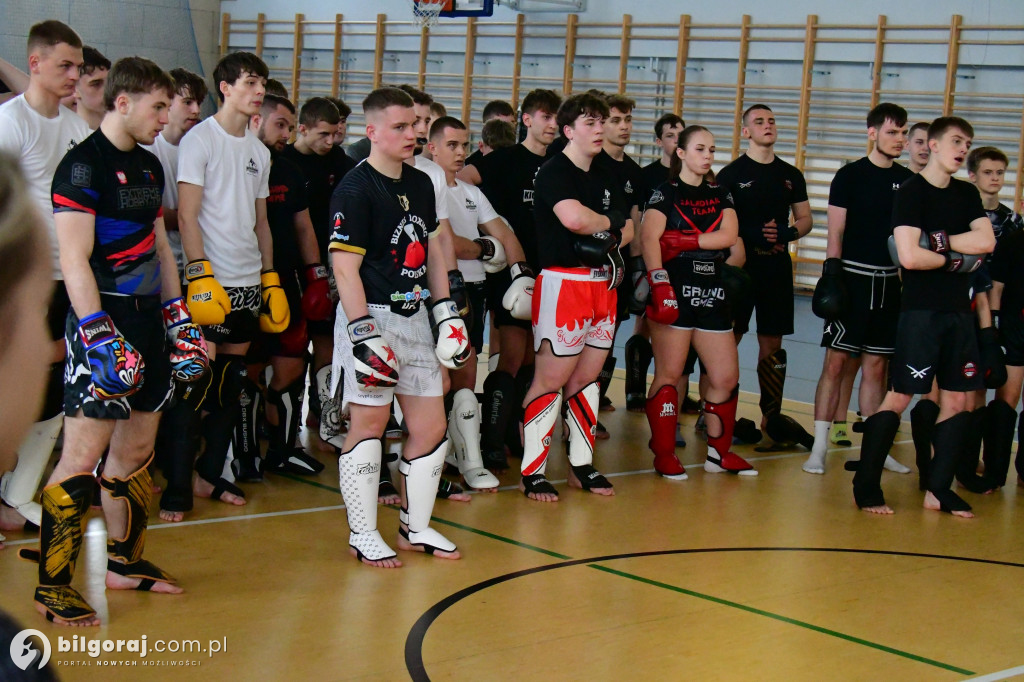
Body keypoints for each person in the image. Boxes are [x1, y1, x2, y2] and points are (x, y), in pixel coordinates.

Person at [33, 56, 206, 625]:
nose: (168, 117)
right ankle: (53, 585)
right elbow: (74, 258)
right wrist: (97, 334)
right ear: (124, 101)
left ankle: (123, 563)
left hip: (150, 323)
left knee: (133, 456)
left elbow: (160, 248)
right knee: (80, 457)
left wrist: (178, 318)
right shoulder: (82, 169)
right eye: (159, 106)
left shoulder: (152, 165)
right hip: (100, 325)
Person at [328, 86, 469, 567]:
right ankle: (363, 533)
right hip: (372, 318)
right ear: (371, 132)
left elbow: (430, 250)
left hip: (415, 319)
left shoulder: (424, 182)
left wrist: (446, 309)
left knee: (430, 426)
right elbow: (344, 267)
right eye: (400, 127)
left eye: (415, 126)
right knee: (368, 424)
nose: (413, 134)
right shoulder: (354, 187)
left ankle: (416, 526)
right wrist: (363, 333)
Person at [853, 116, 995, 516]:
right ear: (932, 144)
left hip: (958, 314)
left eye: (967, 142)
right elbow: (909, 256)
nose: (963, 147)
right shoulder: (912, 192)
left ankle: (938, 490)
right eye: (955, 140)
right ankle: (866, 484)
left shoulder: (966, 194)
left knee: (958, 400)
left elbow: (985, 242)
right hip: (921, 313)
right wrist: (960, 259)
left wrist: (939, 245)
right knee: (900, 396)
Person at [177, 51, 286, 507]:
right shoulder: (199, 140)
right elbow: (186, 213)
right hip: (210, 280)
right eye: (249, 82)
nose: (258, 91)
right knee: (193, 384)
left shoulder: (260, 152)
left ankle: (209, 474)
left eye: (262, 83)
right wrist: (199, 271)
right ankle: (179, 483)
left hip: (247, 281)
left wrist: (270, 277)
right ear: (225, 87)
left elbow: (261, 222)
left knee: (233, 382)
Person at [519, 92, 633, 502]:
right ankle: (532, 472)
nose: (600, 128)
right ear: (568, 131)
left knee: (587, 381)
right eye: (590, 122)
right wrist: (611, 226)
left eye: (602, 121)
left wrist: (608, 228)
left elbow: (631, 228)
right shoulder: (554, 171)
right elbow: (574, 219)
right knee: (551, 378)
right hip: (563, 283)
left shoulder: (606, 173)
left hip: (603, 282)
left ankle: (580, 465)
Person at [0, 21, 91, 535]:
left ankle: (18, 493)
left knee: (57, 385)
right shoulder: (9, 122)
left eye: (78, 66)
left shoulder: (76, 128)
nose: (74, 75)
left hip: (66, 276)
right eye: (65, 65)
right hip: (19, 280)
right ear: (34, 64)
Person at [804, 103, 913, 475]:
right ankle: (818, 447)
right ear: (872, 133)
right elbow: (836, 229)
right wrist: (832, 274)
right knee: (835, 363)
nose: (900, 140)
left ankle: (875, 451)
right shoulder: (849, 175)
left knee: (877, 368)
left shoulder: (908, 180)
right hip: (852, 277)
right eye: (892, 132)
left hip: (890, 282)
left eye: (903, 133)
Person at [641, 125, 753, 479]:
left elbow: (729, 236)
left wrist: (683, 240)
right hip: (674, 288)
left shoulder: (722, 193)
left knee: (725, 375)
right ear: (682, 153)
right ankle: (663, 454)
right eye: (700, 149)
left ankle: (719, 454)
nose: (707, 156)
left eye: (712, 150)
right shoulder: (664, 192)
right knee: (670, 374)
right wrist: (658, 281)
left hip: (712, 291)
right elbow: (650, 238)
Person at [459, 89, 561, 472]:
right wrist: (485, 234)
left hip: (551, 271)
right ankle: (491, 440)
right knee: (513, 355)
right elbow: (460, 182)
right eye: (544, 117)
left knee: (538, 357)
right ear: (527, 120)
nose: (551, 124)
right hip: (513, 273)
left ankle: (514, 433)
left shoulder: (559, 163)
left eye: (556, 118)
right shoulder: (503, 159)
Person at [428, 115, 529, 491]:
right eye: (451, 145)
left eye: (463, 145)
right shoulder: (428, 185)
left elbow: (504, 231)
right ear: (432, 146)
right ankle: (433, 458)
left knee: (467, 380)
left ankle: (466, 458)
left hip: (476, 294)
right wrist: (484, 248)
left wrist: (521, 273)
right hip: (440, 292)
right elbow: (447, 241)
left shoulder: (470, 193)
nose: (460, 152)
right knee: (436, 380)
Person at [717, 104, 813, 447]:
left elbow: (805, 219)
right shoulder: (730, 175)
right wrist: (749, 235)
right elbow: (719, 223)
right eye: (759, 121)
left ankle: (771, 422)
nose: (767, 125)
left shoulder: (791, 174)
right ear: (746, 132)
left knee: (773, 345)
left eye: (772, 120)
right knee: (730, 338)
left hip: (776, 268)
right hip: (742, 268)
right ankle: (714, 415)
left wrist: (787, 234)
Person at [244, 93, 327, 478]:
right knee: (245, 369)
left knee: (291, 366)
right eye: (280, 124)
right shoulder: (234, 164)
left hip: (288, 283)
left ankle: (283, 450)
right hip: (244, 281)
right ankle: (242, 455)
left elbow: (303, 225)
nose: (287, 133)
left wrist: (316, 274)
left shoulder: (290, 170)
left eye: (290, 126)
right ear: (255, 119)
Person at [143, 67, 208, 522]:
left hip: (192, 272)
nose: (192, 111)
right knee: (149, 375)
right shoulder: (150, 151)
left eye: (192, 103)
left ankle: (181, 473)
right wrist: (186, 214)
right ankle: (140, 466)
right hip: (151, 277)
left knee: (194, 373)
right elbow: (162, 216)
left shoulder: (198, 147)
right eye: (183, 101)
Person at [280, 97, 355, 453]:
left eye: (335, 133)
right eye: (323, 134)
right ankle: (279, 422)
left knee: (327, 344)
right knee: (289, 348)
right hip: (289, 265)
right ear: (303, 128)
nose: (330, 141)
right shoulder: (284, 162)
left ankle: (324, 417)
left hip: (330, 266)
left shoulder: (341, 162)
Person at [966, 146, 1023, 489]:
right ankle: (963, 457)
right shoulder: (963, 214)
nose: (995, 179)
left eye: (1000, 173)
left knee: (1002, 389)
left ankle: (994, 464)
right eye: (988, 172)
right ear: (973, 175)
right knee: (968, 393)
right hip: (965, 308)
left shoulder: (1013, 223)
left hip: (999, 315)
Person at [625, 113, 685, 414]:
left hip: (683, 263)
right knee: (645, 323)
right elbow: (637, 221)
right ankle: (635, 389)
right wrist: (640, 264)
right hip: (653, 259)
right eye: (671, 135)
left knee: (681, 325)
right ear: (659, 141)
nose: (677, 140)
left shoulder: (694, 178)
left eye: (681, 135)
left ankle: (676, 389)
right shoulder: (645, 176)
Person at [592, 93, 645, 417]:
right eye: (616, 120)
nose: (624, 126)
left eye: (627, 120)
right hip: (582, 266)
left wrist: (639, 269)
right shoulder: (589, 163)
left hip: (617, 269)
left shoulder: (635, 172)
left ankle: (591, 409)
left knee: (606, 337)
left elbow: (635, 222)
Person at [466, 99, 515, 166]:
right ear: (485, 127)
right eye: (500, 126)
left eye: (511, 125)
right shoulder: (469, 166)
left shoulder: (522, 161)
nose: (506, 130)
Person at [70, 46, 109, 130]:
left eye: (110, 82)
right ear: (74, 89)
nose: (108, 90)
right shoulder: (64, 135)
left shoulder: (122, 136)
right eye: (96, 84)